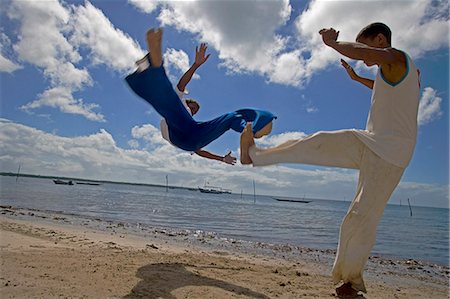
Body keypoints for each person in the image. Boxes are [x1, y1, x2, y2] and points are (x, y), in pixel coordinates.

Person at [240, 23, 420, 297]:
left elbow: (367, 56)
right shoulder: (391, 75)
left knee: (359, 219)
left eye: (368, 51)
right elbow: (380, 88)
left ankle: (349, 284)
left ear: (381, 39)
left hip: (392, 154)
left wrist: (334, 45)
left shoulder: (399, 58)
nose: (366, 60)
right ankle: (255, 156)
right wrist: (356, 79)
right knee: (318, 142)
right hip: (370, 142)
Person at [126, 28, 276, 165]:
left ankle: (249, 131)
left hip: (192, 139)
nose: (194, 112)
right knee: (174, 106)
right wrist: (196, 65)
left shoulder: (191, 122)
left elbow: (199, 151)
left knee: (231, 117)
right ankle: (154, 67)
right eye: (193, 108)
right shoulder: (180, 101)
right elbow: (182, 83)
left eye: (195, 111)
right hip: (177, 133)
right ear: (188, 102)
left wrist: (222, 158)